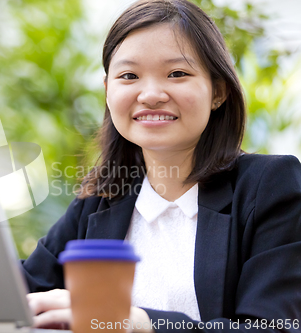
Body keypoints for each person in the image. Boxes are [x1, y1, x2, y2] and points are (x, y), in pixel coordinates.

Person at [21, 0, 301, 332]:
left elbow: (276, 327)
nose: (151, 94)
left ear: (219, 91)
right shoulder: (99, 202)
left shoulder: (270, 185)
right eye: (129, 76)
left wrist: (142, 324)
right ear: (108, 91)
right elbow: (20, 292)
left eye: (177, 73)